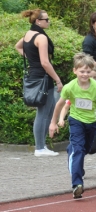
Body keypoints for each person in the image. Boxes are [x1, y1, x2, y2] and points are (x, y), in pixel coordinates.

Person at [48, 53, 96, 199]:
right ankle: (77, 184)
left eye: (88, 72)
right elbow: (59, 105)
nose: (85, 74)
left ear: (92, 72)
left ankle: (72, 150)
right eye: (82, 71)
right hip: (76, 121)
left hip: (93, 123)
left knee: (88, 149)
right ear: (75, 71)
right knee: (78, 150)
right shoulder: (70, 87)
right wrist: (53, 122)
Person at [15, 9, 63, 157]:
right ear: (38, 21)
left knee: (47, 110)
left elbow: (18, 46)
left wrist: (31, 59)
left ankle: (42, 147)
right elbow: (45, 62)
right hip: (43, 77)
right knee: (43, 112)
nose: (48, 22)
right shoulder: (41, 37)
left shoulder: (28, 34)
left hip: (34, 75)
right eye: (46, 19)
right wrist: (57, 79)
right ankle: (40, 148)